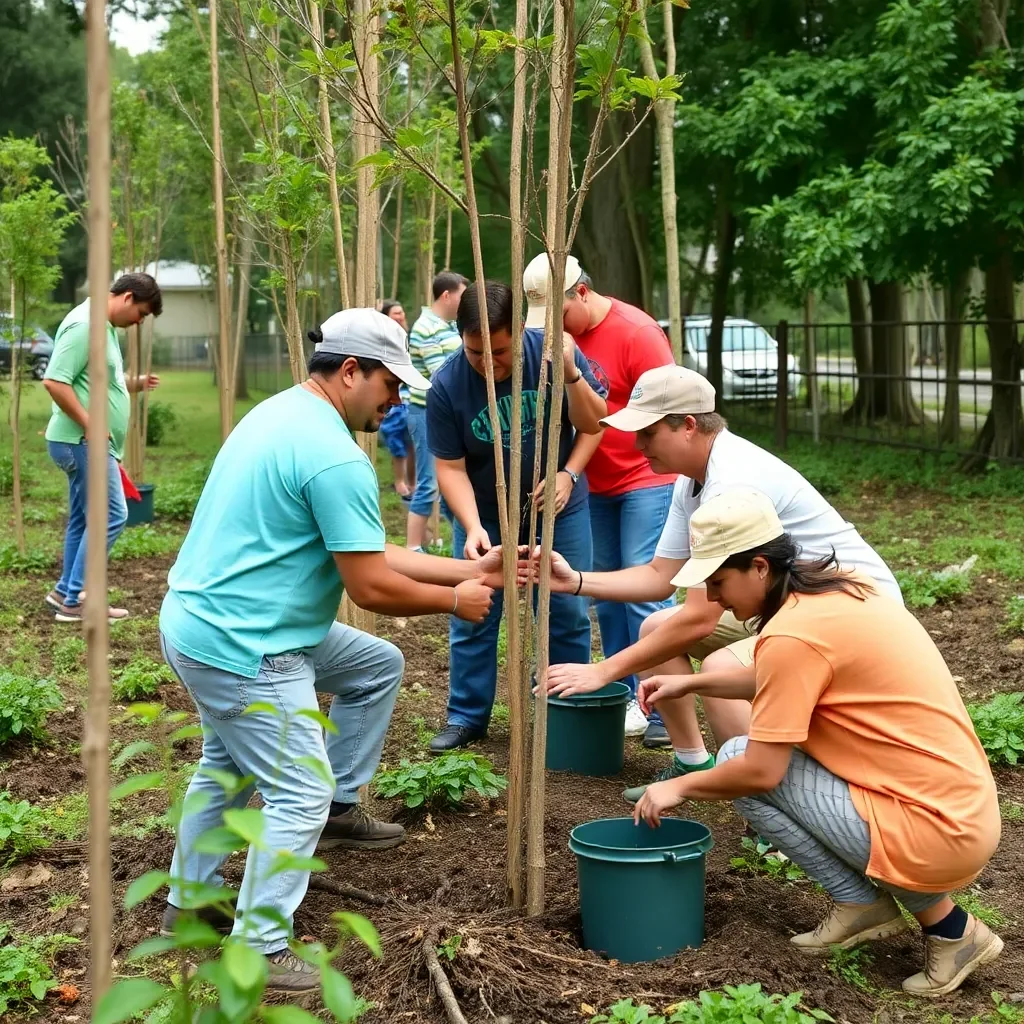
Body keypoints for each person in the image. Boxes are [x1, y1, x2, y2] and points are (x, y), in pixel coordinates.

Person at [159, 308, 507, 992]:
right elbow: (372, 584)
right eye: (390, 385)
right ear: (350, 371)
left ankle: (202, 892)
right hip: (247, 646)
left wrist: (478, 569)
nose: (396, 400)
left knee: (372, 669)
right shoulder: (333, 455)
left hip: (201, 623)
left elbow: (374, 549)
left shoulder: (282, 414)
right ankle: (259, 947)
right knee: (296, 787)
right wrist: (454, 601)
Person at [633, 488, 1003, 998]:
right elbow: (794, 677)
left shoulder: (792, 636)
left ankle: (923, 922)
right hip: (959, 804)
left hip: (934, 827)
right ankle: (901, 916)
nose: (714, 599)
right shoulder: (840, 588)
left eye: (718, 582)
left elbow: (762, 771)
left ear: (759, 567)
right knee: (747, 762)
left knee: (740, 761)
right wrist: (693, 683)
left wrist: (684, 787)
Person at [541, 364, 901, 802]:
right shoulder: (692, 482)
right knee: (656, 629)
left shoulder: (732, 482)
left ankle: (770, 800)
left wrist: (603, 670)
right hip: (788, 605)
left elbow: (699, 619)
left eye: (648, 433)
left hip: (853, 610)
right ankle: (695, 764)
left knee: (721, 667)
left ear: (688, 425)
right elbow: (660, 578)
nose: (636, 446)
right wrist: (575, 581)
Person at [426, 281, 608, 752]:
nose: (489, 364)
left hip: (558, 510)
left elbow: (593, 423)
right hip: (487, 512)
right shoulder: (447, 384)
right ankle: (466, 717)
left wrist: (569, 472)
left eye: (500, 352)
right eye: (475, 353)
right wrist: (471, 526)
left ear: (519, 330)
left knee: (565, 609)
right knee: (473, 610)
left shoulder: (552, 356)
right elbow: (449, 466)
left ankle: (563, 711)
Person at [523, 253, 677, 745]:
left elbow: (670, 405)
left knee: (645, 592)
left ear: (582, 294)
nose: (553, 328)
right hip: (595, 486)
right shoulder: (552, 340)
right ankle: (631, 696)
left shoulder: (637, 333)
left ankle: (662, 710)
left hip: (644, 478)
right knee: (607, 594)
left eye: (559, 314)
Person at [43, 272, 163, 623]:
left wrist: (130, 385)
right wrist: (93, 424)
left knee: (84, 519)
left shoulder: (103, 327)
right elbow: (54, 381)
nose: (138, 322)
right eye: (140, 313)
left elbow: (95, 379)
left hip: (83, 442)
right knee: (112, 514)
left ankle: (66, 591)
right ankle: (80, 599)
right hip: (82, 442)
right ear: (127, 297)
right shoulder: (86, 326)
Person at [406, 271, 470, 551]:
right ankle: (412, 548)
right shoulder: (425, 328)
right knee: (428, 482)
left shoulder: (448, 326)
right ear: (446, 295)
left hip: (445, 414)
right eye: (462, 295)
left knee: (447, 485)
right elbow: (439, 374)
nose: (465, 302)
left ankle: (464, 534)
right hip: (425, 414)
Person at [378, 299, 415, 501]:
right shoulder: (383, 339)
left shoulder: (408, 339)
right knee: (396, 442)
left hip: (410, 399)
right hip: (393, 401)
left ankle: (412, 482)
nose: (400, 316)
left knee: (412, 443)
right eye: (395, 313)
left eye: (401, 312)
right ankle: (399, 482)